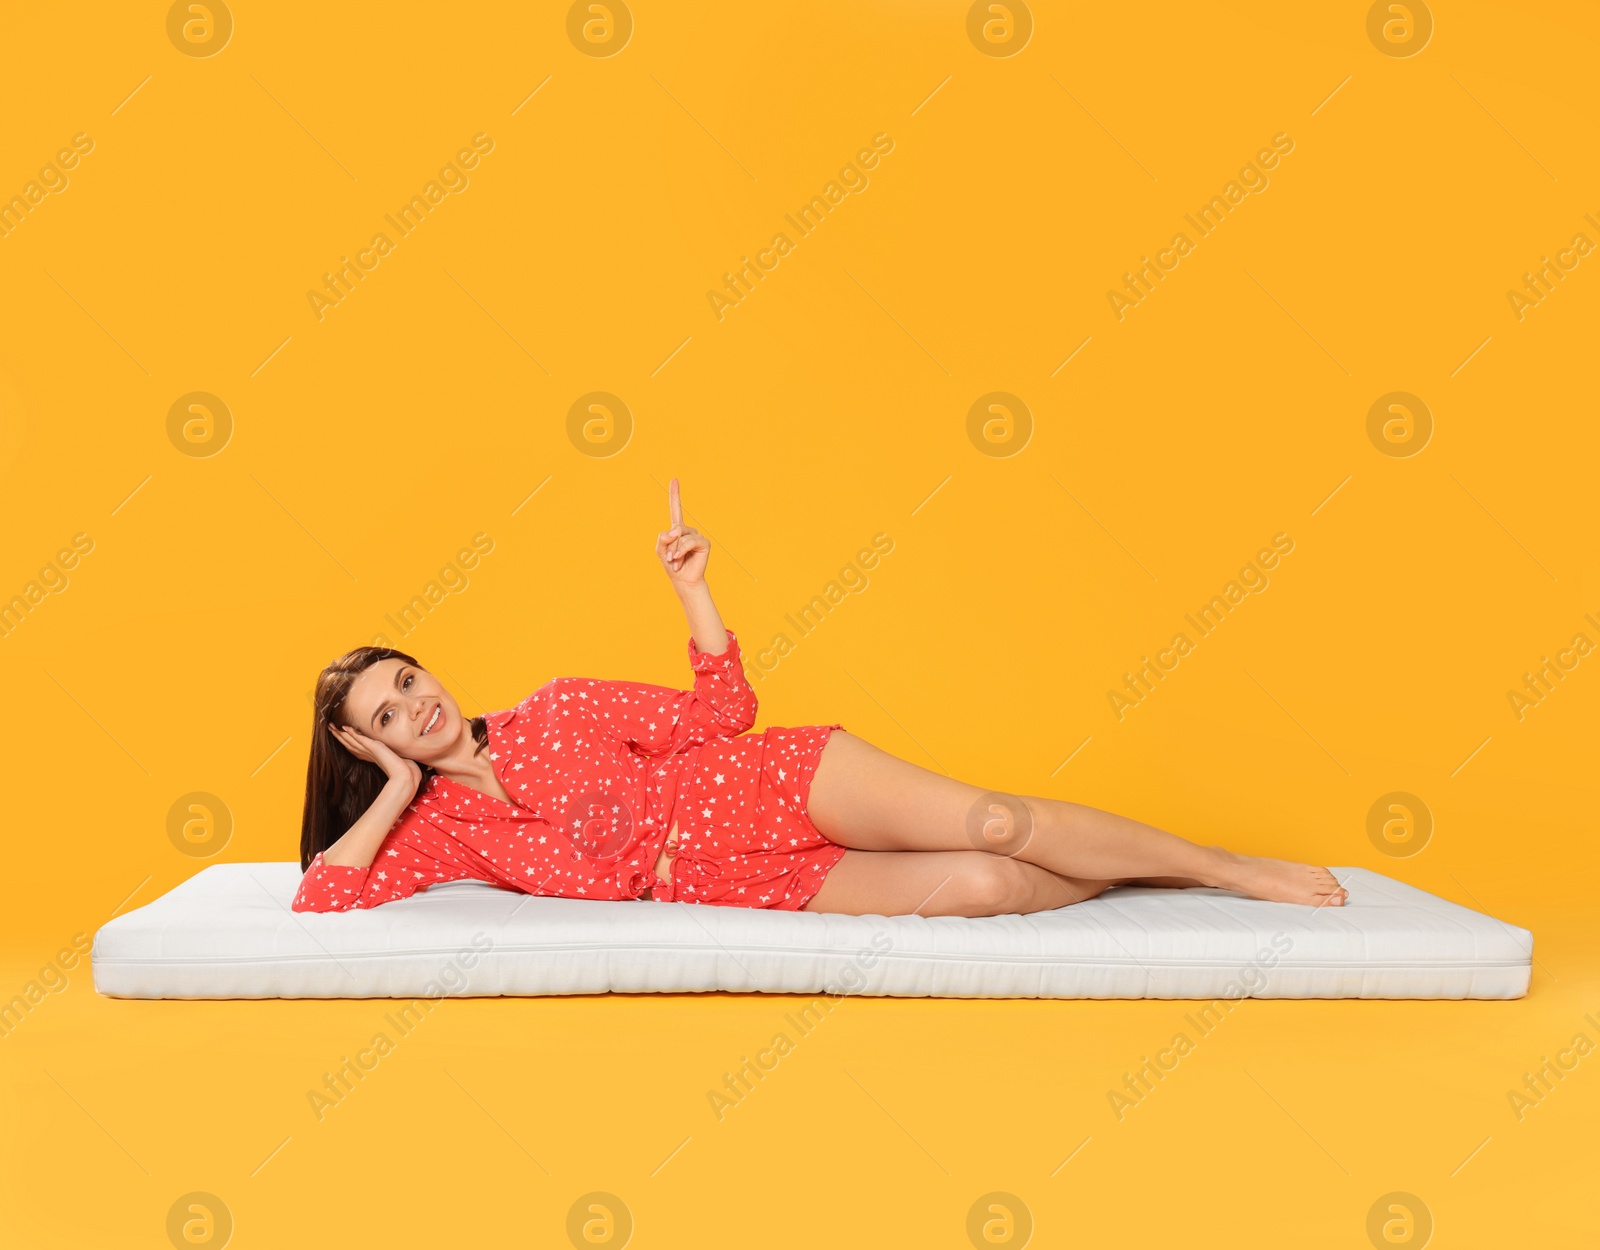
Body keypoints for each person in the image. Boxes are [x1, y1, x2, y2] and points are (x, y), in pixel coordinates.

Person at [294, 479, 1348, 916]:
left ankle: (1222, 867)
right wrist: (389, 786)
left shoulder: (560, 704)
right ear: (358, 746)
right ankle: (1131, 881)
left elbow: (721, 717)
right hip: (735, 881)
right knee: (983, 886)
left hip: (771, 785)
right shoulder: (442, 833)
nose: (414, 707)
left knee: (997, 819)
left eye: (407, 680)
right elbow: (322, 900)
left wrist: (694, 592)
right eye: (382, 718)